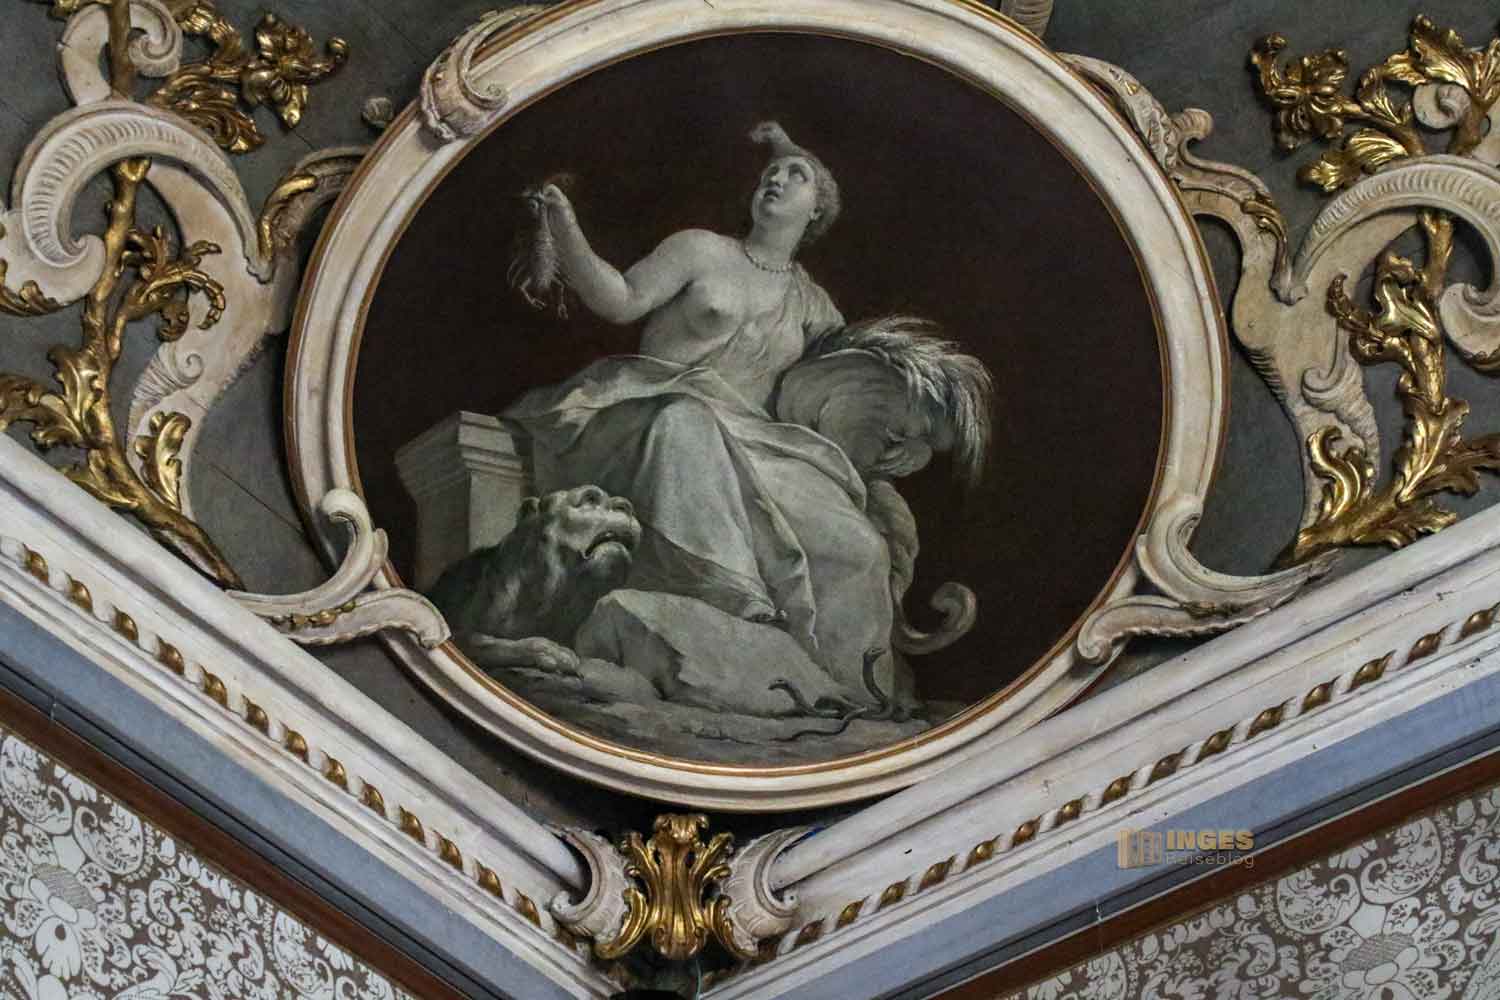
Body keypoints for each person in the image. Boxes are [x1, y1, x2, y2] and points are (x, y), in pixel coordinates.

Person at [502, 122, 901, 703]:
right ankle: (742, 617)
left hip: (754, 440)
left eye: (796, 175)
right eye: (770, 173)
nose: (776, 180)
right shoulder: (700, 249)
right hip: (647, 409)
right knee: (687, 422)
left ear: (818, 208)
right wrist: (565, 227)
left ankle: (854, 690)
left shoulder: (818, 309)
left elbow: (821, 406)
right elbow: (620, 301)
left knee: (857, 545)